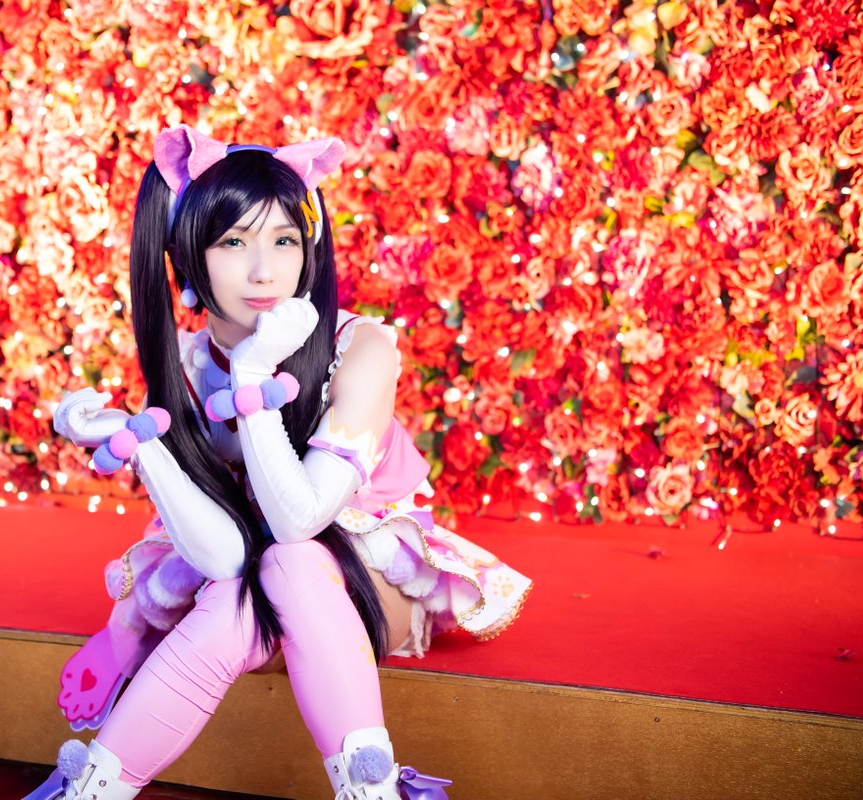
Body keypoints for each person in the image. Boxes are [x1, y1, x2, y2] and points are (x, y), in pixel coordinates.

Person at [28, 126, 532, 800]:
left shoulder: (361, 350)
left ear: (310, 249)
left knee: (291, 562)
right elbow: (223, 557)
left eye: (285, 240)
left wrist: (254, 376)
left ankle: (94, 785)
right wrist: (139, 443)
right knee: (243, 589)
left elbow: (299, 522)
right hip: (243, 577)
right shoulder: (185, 369)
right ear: (189, 255)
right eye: (234, 242)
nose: (264, 270)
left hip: (364, 572)